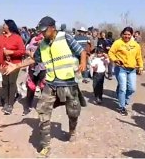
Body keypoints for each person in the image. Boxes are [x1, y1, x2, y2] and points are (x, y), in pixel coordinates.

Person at [6, 16, 87, 158]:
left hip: (68, 82)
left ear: (52, 28)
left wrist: (83, 63)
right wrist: (17, 65)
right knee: (43, 111)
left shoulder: (66, 37)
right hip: (51, 83)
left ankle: (72, 130)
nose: (42, 34)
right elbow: (33, 59)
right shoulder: (43, 44)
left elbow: (82, 51)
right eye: (41, 31)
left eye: (44, 30)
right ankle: (45, 145)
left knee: (73, 112)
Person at [109, 27, 143, 116]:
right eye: (125, 34)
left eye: (129, 34)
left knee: (132, 88)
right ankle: (121, 107)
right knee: (123, 88)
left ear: (131, 35)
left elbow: (139, 57)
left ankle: (124, 99)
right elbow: (111, 53)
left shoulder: (136, 45)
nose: (127, 36)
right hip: (121, 68)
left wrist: (141, 67)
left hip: (132, 69)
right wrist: (115, 60)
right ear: (122, 34)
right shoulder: (118, 43)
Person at [0, 19, 25, 115]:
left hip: (14, 64)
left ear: (9, 26)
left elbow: (23, 51)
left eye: (5, 24)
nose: (3, 25)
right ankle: (6, 101)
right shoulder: (0, 37)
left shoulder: (17, 38)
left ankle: (10, 104)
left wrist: (12, 52)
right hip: (3, 64)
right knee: (5, 83)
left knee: (11, 82)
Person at [23, 33, 46, 116]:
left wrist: (42, 44)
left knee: (44, 88)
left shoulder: (47, 41)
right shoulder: (33, 40)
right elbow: (27, 50)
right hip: (33, 68)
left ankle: (44, 108)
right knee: (31, 87)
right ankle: (27, 106)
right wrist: (30, 53)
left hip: (43, 68)